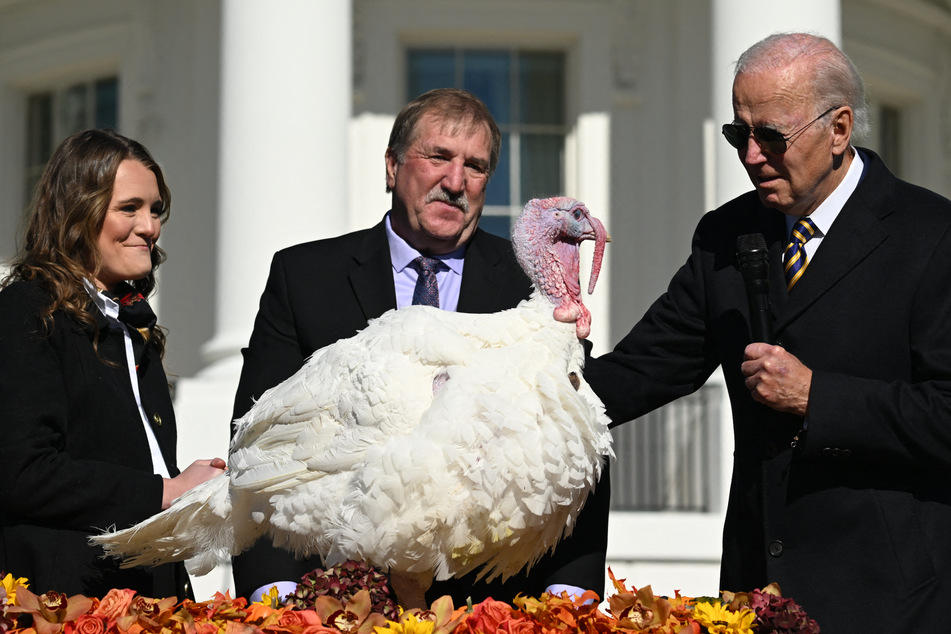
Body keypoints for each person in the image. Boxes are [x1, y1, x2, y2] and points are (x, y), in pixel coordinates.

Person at [584, 31, 951, 631]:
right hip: (757, 595)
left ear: (838, 130)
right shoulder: (724, 235)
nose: (751, 155)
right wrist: (513, 395)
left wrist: (818, 396)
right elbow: (642, 370)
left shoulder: (932, 235)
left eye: (772, 137)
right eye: (738, 134)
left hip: (891, 600)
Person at [231, 87, 611, 605]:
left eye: (475, 167)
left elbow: (579, 443)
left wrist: (570, 594)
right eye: (438, 157)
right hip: (331, 601)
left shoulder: (533, 291)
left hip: (494, 606)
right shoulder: (304, 277)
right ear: (392, 167)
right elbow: (257, 446)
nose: (455, 182)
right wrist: (277, 596)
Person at [0, 129, 227, 598]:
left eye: (156, 210)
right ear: (77, 212)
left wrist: (189, 492)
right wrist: (165, 491)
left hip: (145, 599)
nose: (150, 226)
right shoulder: (27, 308)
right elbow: (23, 472)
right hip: (57, 604)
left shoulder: (133, 331)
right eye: (130, 208)